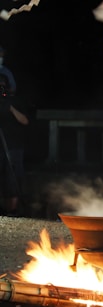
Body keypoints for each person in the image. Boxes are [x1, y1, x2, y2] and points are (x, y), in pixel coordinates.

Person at [0, 73, 28, 216]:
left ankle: (13, 210)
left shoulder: (14, 102)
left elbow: (25, 121)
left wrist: (10, 108)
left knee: (12, 179)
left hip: (13, 147)